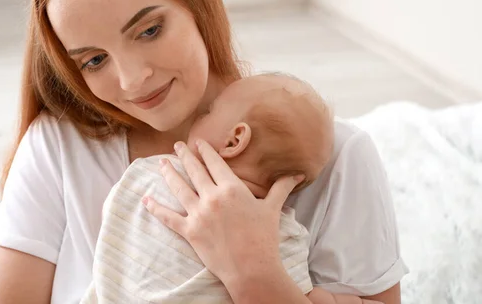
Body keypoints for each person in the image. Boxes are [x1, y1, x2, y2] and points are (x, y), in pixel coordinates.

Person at [0, 0, 408, 303]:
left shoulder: (334, 157)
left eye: (148, 30)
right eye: (94, 59)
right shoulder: (60, 147)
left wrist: (253, 272)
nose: (132, 80)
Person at [81, 73, 382, 304]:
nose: (200, 115)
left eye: (210, 112)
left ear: (234, 141)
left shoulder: (152, 174)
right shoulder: (283, 236)